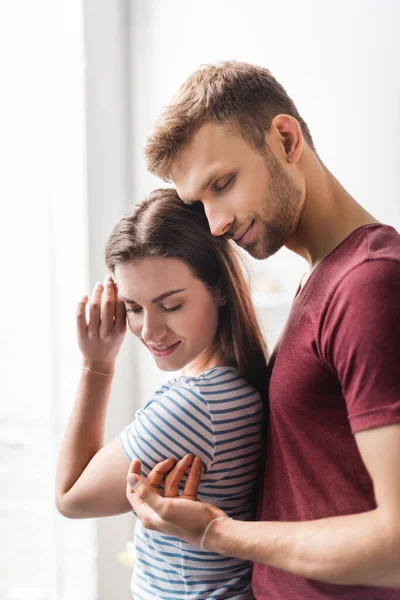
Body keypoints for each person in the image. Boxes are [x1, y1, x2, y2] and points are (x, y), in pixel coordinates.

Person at [125, 61, 400, 599]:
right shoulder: (321, 280)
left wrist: (216, 533)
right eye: (199, 204)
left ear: (285, 138)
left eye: (222, 184)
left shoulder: (369, 284)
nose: (216, 224)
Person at [55, 188, 269, 600]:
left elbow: (70, 498)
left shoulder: (196, 405)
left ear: (220, 289)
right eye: (134, 308)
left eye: (170, 306)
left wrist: (96, 366)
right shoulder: (232, 385)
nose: (149, 331)